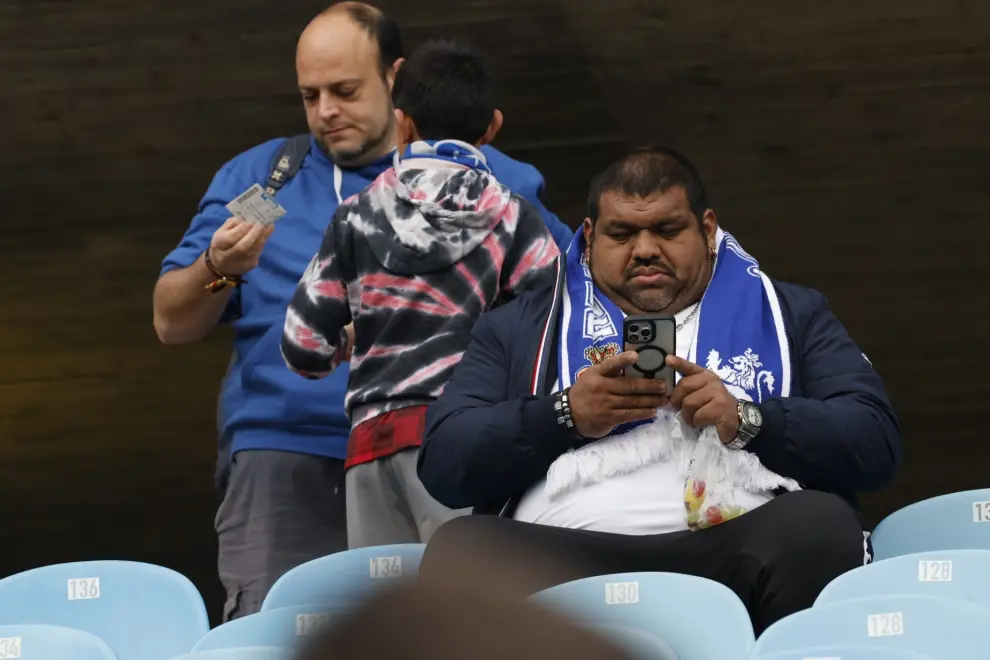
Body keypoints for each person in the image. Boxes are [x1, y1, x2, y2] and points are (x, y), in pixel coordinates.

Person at [152, 2, 573, 622]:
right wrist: (219, 266)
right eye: (310, 95)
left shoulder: (501, 181)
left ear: (395, 81)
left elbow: (569, 295)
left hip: (443, 444)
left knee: (461, 630)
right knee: (277, 633)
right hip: (283, 455)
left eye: (345, 91)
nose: (325, 111)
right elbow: (170, 321)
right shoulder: (267, 182)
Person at [416, 146, 902, 634]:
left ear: (707, 229)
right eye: (622, 234)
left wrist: (748, 420)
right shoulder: (520, 326)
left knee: (820, 526)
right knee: (463, 549)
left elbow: (874, 441)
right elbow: (444, 462)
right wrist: (563, 415)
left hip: (737, 549)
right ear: (590, 237)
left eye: (667, 230)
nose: (645, 249)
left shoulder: (792, 313)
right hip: (563, 553)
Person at [280, 39, 560, 549]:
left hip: (371, 446)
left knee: (385, 598)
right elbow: (549, 331)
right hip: (466, 440)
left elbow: (303, 346)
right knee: (466, 593)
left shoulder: (355, 215)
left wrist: (350, 339)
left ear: (402, 123)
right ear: (492, 127)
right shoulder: (514, 217)